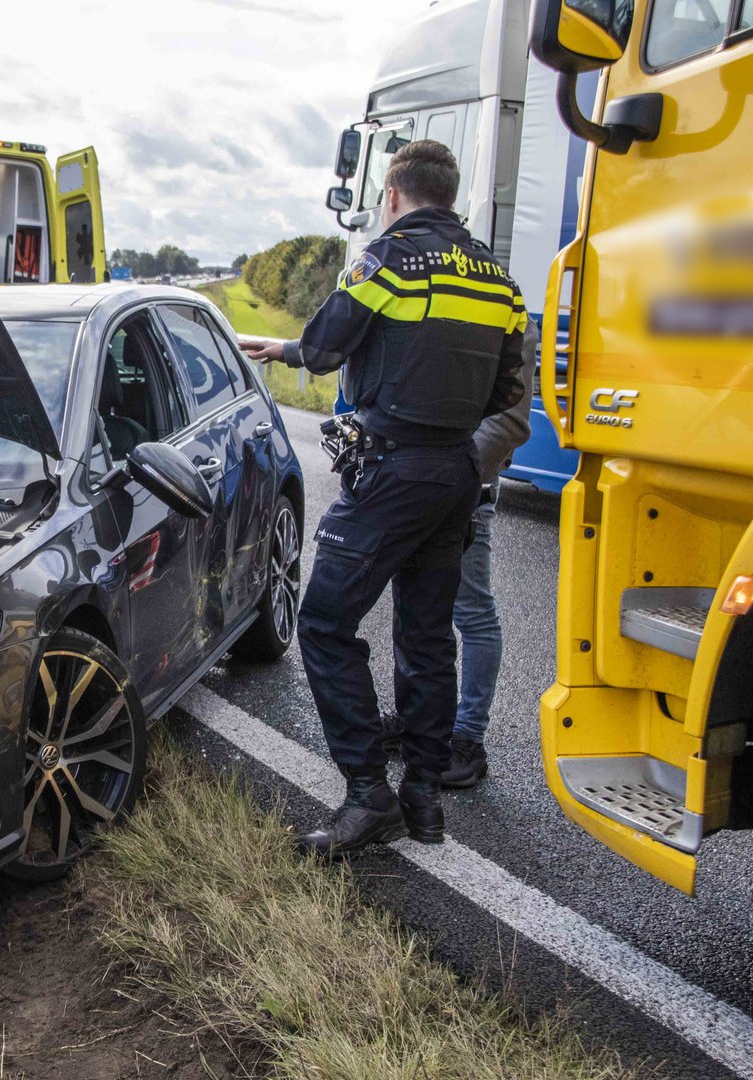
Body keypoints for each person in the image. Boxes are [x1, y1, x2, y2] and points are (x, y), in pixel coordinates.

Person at [240, 140, 527, 854]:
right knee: (428, 638)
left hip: (391, 470)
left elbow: (331, 343)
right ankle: (424, 800)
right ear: (449, 193)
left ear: (394, 195)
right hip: (457, 473)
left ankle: (368, 796)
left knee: (327, 623)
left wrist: (294, 350)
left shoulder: (387, 259)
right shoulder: (499, 279)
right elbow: (503, 391)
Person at [378, 316, 536, 787]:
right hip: (414, 482)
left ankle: (468, 737)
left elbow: (509, 422)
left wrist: (454, 476)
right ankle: (416, 722)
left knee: (471, 611)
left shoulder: (510, 314)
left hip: (464, 490)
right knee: (415, 608)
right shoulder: (431, 296)